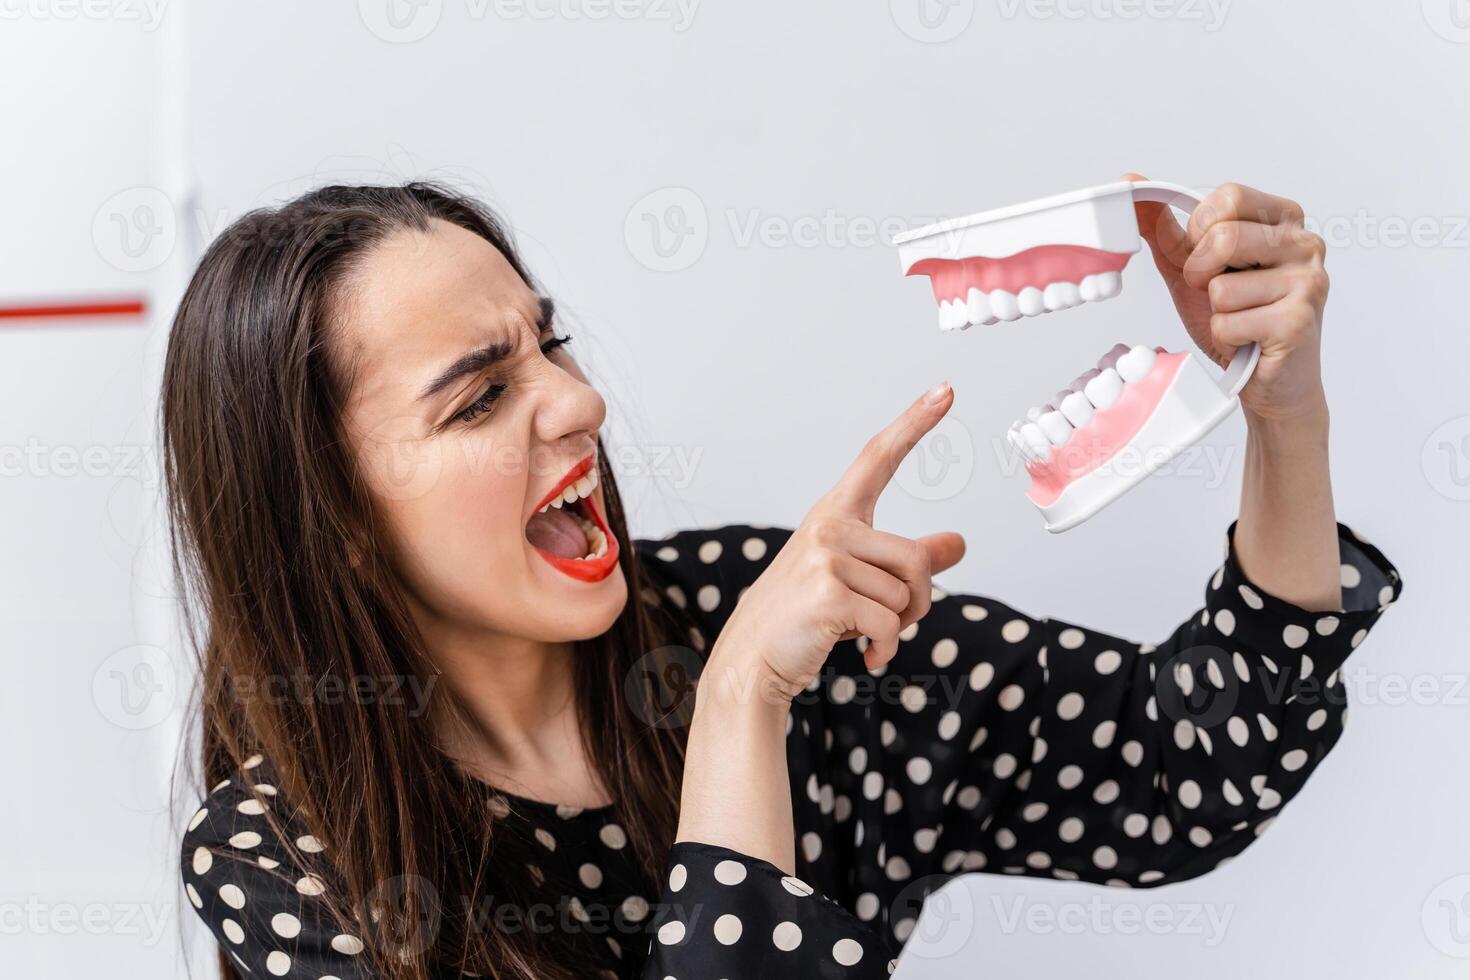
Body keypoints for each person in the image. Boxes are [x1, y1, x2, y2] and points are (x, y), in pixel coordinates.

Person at [170, 179, 1400, 979]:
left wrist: (1282, 410)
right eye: (484, 395)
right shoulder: (284, 855)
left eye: (552, 344)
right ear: (335, 526)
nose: (582, 402)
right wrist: (737, 706)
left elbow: (1189, 767)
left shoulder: (759, 611)